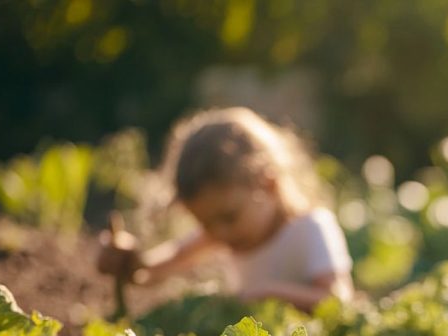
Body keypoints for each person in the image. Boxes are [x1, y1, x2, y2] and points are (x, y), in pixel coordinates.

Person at [98, 107, 354, 311]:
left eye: (229, 217)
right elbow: (155, 270)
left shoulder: (309, 229)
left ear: (268, 184)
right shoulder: (221, 234)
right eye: (206, 224)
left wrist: (269, 294)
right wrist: (130, 262)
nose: (219, 233)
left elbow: (339, 302)